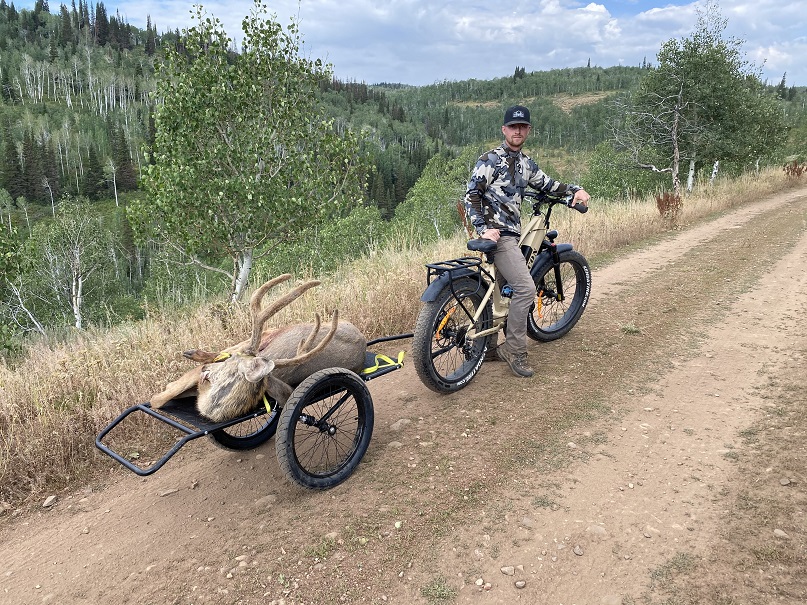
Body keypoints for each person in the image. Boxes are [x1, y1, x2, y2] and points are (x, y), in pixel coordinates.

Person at [463, 105, 590, 378]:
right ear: (504, 130)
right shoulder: (490, 160)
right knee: (525, 289)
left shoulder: (525, 164)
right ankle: (515, 350)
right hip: (498, 236)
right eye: (513, 126)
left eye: (522, 127)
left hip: (509, 233)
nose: (518, 131)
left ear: (528, 130)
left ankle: (488, 347)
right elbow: (471, 194)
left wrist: (575, 191)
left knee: (501, 291)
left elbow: (548, 185)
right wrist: (483, 228)